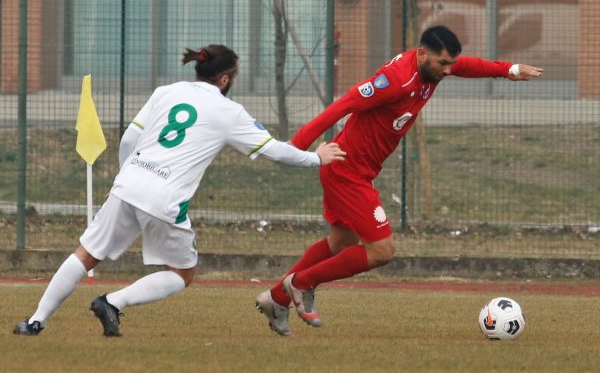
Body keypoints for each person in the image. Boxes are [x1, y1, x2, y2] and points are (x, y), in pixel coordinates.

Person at [14, 44, 346, 337]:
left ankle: (35, 322)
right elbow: (274, 150)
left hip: (128, 183)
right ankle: (112, 302)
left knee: (86, 255)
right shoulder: (228, 112)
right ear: (226, 79)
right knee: (182, 273)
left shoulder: (166, 91)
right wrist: (316, 157)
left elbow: (130, 138)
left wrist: (121, 176)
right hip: (164, 198)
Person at [256, 25, 543, 336]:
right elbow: (343, 105)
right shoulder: (395, 81)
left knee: (341, 243)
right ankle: (300, 283)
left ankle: (276, 298)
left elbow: (466, 64)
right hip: (346, 171)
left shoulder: (430, 70)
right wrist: (294, 149)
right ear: (422, 54)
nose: (449, 70)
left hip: (357, 170)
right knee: (381, 251)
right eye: (443, 64)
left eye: (450, 64)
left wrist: (508, 69)